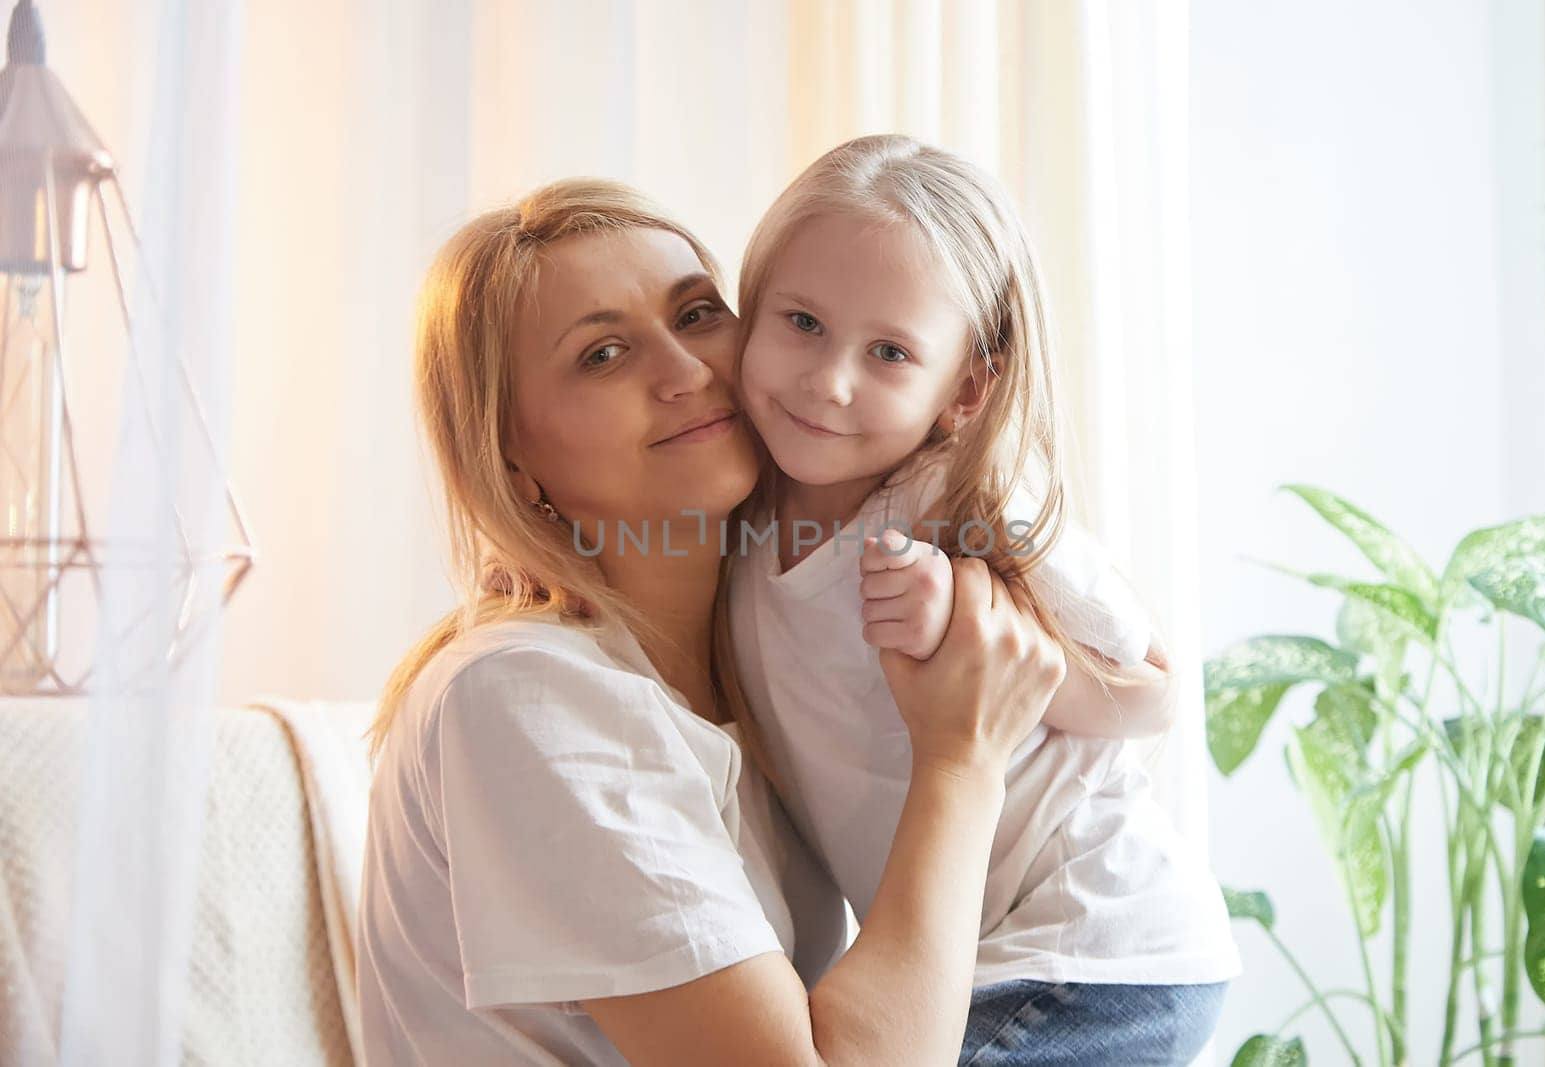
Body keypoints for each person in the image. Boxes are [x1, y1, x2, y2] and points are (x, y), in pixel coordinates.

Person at [356, 178, 1068, 1066]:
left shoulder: (760, 670)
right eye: (604, 354)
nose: (689, 371)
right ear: (511, 452)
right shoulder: (522, 691)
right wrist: (962, 760)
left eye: (698, 314)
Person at [727, 134, 1242, 1065]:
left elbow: (1156, 688)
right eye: (801, 321)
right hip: (961, 969)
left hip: (1096, 945)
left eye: (888, 352)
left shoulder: (956, 504)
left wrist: (972, 630)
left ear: (965, 389)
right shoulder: (737, 512)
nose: (828, 380)